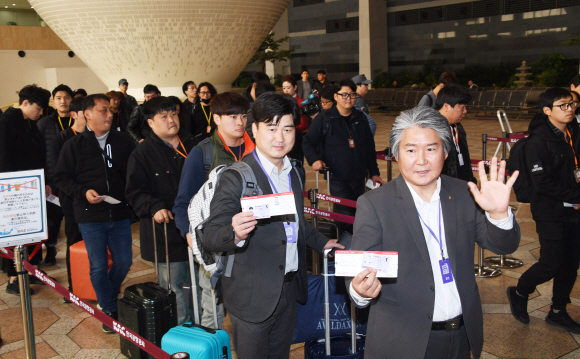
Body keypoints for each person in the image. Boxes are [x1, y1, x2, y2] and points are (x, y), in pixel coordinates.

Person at [348, 106, 521, 359]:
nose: (421, 160)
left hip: (461, 335)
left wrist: (498, 214)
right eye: (410, 150)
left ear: (446, 152)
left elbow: (503, 246)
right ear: (396, 154)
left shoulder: (465, 194)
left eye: (431, 149)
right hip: (403, 340)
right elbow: (359, 267)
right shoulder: (375, 204)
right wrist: (359, 290)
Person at [203, 92, 343, 358]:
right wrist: (233, 231)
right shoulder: (236, 177)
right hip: (252, 294)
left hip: (289, 289)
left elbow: (295, 222)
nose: (280, 137)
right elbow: (210, 235)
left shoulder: (294, 171)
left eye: (287, 128)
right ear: (254, 129)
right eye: (271, 127)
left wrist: (322, 242)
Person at [53, 94, 136, 333]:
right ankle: (109, 308)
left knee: (124, 261)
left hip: (119, 213)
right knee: (98, 266)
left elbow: (134, 171)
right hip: (90, 216)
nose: (109, 115)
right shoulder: (74, 145)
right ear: (87, 114)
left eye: (110, 110)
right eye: (103, 110)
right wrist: (83, 192)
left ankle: (106, 296)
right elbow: (61, 178)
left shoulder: (123, 141)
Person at [174, 91, 255, 328]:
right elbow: (183, 202)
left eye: (243, 115)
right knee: (213, 310)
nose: (240, 122)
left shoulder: (257, 148)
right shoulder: (202, 153)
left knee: (252, 306)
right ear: (216, 118)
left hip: (253, 237)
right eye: (232, 116)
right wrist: (190, 236)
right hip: (215, 241)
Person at [507, 87, 580, 334]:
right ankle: (519, 291)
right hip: (550, 211)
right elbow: (543, 183)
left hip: (573, 210)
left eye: (571, 104)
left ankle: (558, 311)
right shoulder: (538, 142)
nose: (569, 109)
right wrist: (576, 195)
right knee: (550, 263)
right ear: (547, 110)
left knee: (570, 264)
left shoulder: (570, 134)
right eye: (563, 105)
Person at [126, 96, 198, 325]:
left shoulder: (194, 145)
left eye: (174, 114)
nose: (171, 120)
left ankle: (203, 325)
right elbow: (134, 191)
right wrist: (154, 207)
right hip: (165, 233)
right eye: (164, 116)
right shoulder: (143, 153)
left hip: (197, 228)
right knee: (173, 286)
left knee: (200, 282)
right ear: (150, 123)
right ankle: (183, 331)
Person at [303, 78, 383, 234]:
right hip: (337, 176)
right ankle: (344, 246)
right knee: (344, 215)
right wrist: (314, 160)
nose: (349, 99)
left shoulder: (360, 117)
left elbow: (369, 147)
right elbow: (308, 142)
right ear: (335, 96)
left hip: (359, 177)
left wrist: (374, 173)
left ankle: (354, 245)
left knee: (358, 213)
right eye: (344, 95)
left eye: (352, 95)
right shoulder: (325, 118)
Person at [0, 84, 52, 295]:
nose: (40, 113)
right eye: (38, 108)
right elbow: (4, 159)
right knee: (16, 233)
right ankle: (14, 277)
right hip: (14, 189)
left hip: (32, 186)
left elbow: (39, 155)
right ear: (25, 103)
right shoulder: (6, 123)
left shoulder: (30, 123)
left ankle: (31, 269)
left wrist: (45, 180)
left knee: (33, 230)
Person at [49, 97, 86, 301]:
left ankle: (92, 284)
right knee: (74, 244)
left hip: (94, 203)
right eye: (85, 113)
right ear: (74, 115)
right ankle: (74, 287)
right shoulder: (60, 140)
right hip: (72, 202)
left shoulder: (93, 136)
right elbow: (59, 174)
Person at [37, 84, 74, 266]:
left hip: (74, 179)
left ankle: (75, 251)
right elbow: (38, 153)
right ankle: (50, 249)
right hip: (52, 179)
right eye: (59, 98)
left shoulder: (78, 122)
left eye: (66, 97)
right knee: (53, 218)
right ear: (53, 101)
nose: (63, 101)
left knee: (74, 218)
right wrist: (43, 179)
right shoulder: (44, 123)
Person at [435, 84, 476, 183]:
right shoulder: (432, 130)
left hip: (462, 185)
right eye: (462, 107)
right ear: (447, 106)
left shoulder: (458, 127)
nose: (465, 111)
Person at [281, 75, 308, 162]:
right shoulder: (281, 102)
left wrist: (289, 129)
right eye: (284, 88)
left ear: (295, 87)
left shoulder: (301, 103)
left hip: (296, 138)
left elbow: (304, 125)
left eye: (288, 88)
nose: (286, 90)